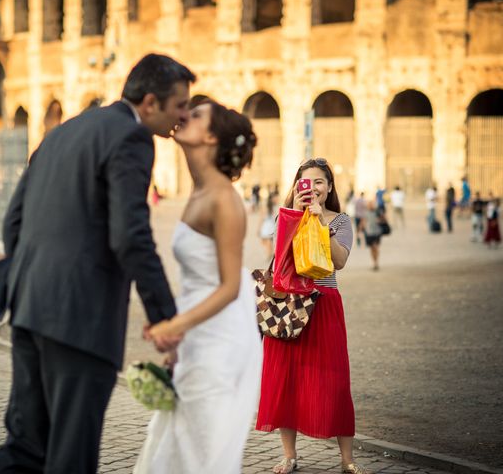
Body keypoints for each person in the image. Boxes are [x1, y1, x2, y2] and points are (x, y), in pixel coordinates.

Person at [0, 54, 196, 473]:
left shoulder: (64, 131)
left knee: (24, 446)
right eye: (180, 105)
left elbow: (14, 220)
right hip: (81, 321)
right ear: (151, 102)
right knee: (71, 454)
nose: (184, 115)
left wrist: (25, 283)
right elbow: (131, 236)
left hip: (29, 309)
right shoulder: (132, 138)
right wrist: (164, 318)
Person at [134, 100, 262, 473]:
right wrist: (179, 339)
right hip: (196, 338)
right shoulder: (198, 192)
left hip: (222, 341)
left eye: (198, 114)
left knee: (202, 451)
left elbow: (229, 287)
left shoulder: (224, 200)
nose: (185, 115)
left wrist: (176, 326)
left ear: (210, 136)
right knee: (179, 447)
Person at [256, 158, 369, 474]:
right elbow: (280, 260)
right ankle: (289, 455)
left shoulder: (340, 221)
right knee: (286, 379)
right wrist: (295, 213)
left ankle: (347, 460)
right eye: (306, 182)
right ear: (296, 187)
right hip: (290, 304)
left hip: (324, 304)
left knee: (334, 381)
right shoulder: (286, 218)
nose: (314, 188)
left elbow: (340, 261)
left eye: (319, 181)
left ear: (330, 186)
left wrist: (319, 222)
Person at [363, 200, 383, 271]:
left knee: (376, 247)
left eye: (372, 204)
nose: (371, 206)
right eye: (369, 204)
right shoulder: (366, 213)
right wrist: (361, 231)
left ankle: (376, 262)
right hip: (369, 233)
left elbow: (383, 219)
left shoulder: (378, 212)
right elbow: (364, 222)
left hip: (377, 232)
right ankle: (374, 262)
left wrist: (380, 219)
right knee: (372, 249)